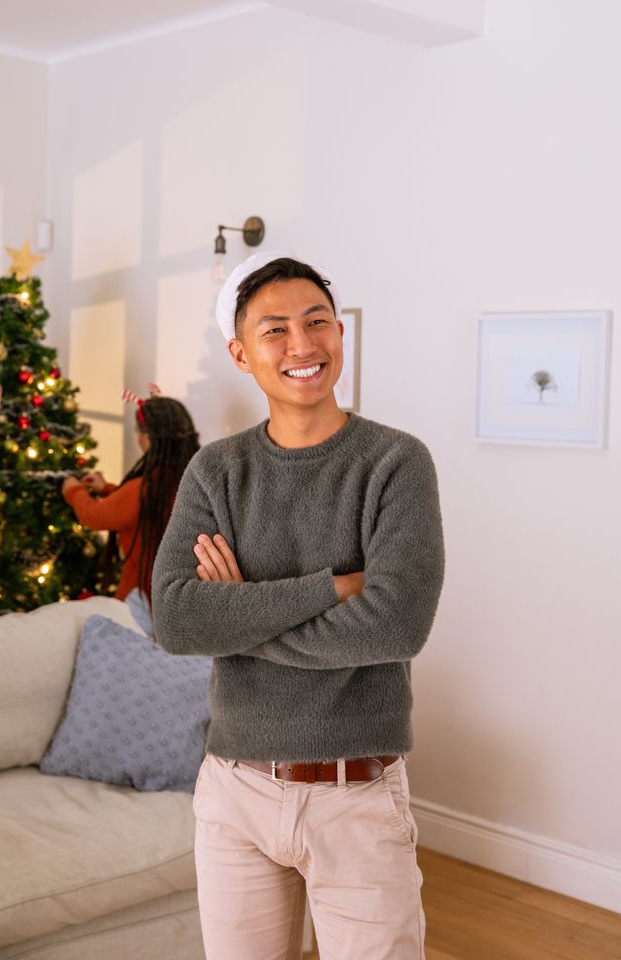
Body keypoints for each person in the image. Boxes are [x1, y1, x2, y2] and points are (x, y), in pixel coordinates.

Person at [151, 252, 445, 960]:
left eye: (317, 323)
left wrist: (242, 611)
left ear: (340, 335)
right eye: (275, 330)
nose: (302, 346)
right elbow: (177, 619)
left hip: (356, 795)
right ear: (242, 353)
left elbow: (397, 624)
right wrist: (333, 587)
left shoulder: (396, 463)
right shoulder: (216, 471)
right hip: (234, 794)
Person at [62, 395, 200, 607]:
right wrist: (109, 490)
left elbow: (93, 515)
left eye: (137, 431)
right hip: (185, 597)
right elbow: (142, 512)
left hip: (144, 598)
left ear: (149, 437)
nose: (137, 438)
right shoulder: (190, 480)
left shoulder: (144, 489)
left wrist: (74, 491)